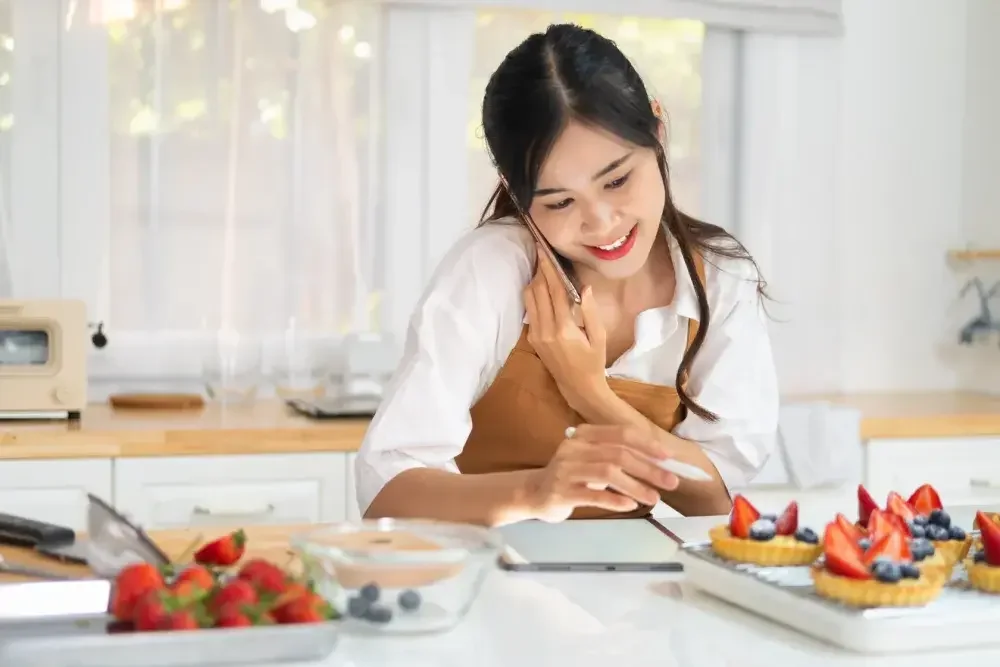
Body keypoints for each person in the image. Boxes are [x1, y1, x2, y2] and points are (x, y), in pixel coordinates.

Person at [355, 23, 778, 527]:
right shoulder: (491, 270)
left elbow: (713, 496)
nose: (601, 222)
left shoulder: (721, 278)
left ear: (658, 130)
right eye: (559, 201)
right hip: (484, 584)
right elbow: (387, 489)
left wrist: (591, 395)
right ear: (516, 190)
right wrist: (535, 492)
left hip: (634, 591)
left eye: (618, 179)